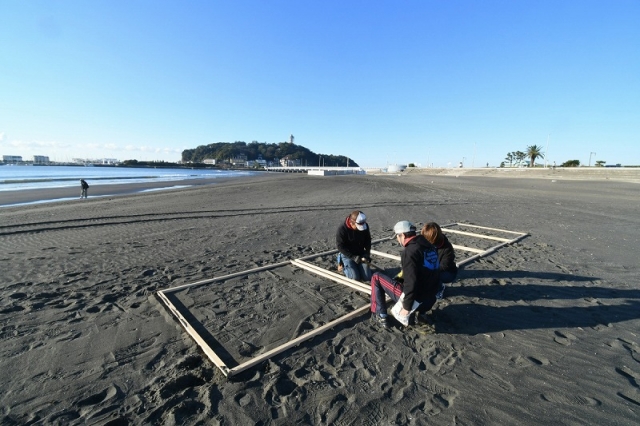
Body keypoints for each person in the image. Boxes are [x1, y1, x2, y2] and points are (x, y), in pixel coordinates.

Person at [370, 221, 440, 328]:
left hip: (416, 300)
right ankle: (421, 314)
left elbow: (411, 282)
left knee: (376, 277)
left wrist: (406, 307)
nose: (398, 240)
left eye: (397, 237)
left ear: (402, 235)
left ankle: (381, 315)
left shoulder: (410, 251)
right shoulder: (430, 247)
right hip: (430, 300)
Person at [421, 222, 458, 299]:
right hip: (429, 267)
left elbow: (444, 266)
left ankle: (440, 289)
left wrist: (428, 270)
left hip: (447, 272)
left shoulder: (447, 248)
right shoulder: (423, 242)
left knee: (433, 276)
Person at [336, 210, 372, 282]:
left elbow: (368, 240)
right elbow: (340, 246)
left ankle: (357, 267)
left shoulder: (365, 226)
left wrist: (367, 254)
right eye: (358, 226)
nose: (360, 229)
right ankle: (342, 265)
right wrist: (353, 257)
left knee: (367, 277)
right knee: (355, 278)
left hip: (360, 253)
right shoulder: (342, 229)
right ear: (351, 223)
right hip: (347, 255)